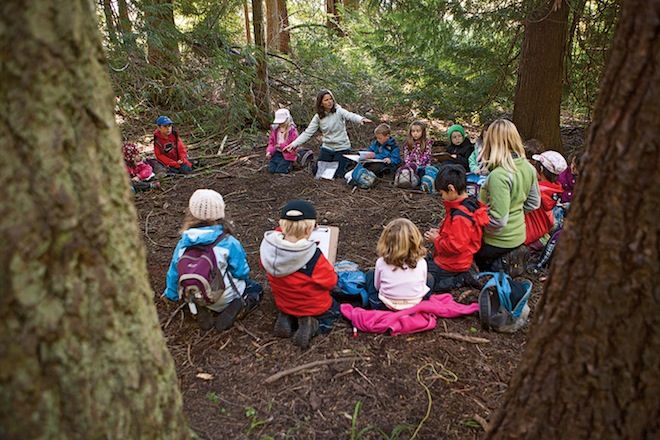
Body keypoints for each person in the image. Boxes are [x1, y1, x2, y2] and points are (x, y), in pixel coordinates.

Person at [164, 189, 262, 331]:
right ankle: (240, 305)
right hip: (225, 295)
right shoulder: (229, 242)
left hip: (197, 292)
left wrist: (171, 294)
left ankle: (198, 307)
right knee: (255, 289)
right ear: (220, 213)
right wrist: (245, 279)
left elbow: (173, 273)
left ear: (191, 212)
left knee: (192, 289)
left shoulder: (183, 243)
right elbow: (241, 272)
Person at [259, 200, 339, 349]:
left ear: (281, 225)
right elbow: (330, 282)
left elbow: (262, 264)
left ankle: (286, 316)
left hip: (283, 300)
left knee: (288, 300)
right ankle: (313, 324)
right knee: (334, 309)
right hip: (312, 305)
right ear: (310, 229)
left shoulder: (269, 247)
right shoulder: (312, 255)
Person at [474, 119, 540, 276]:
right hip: (519, 235)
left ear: (491, 142)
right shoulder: (528, 167)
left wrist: (476, 222)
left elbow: (499, 220)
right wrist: (514, 213)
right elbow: (534, 203)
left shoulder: (499, 176)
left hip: (497, 241)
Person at [424, 165, 489, 292]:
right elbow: (457, 234)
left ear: (451, 189)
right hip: (454, 259)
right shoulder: (467, 204)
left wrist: (436, 239)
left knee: (424, 280)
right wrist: (441, 233)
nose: (442, 197)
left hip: (453, 263)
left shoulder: (461, 216)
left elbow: (456, 246)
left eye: (442, 193)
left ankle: (459, 280)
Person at [286, 90, 372, 178]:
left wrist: (361, 119)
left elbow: (350, 115)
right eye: (326, 100)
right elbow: (307, 133)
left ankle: (348, 163)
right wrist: (293, 144)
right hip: (327, 148)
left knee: (338, 175)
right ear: (321, 103)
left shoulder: (339, 111)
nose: (329, 102)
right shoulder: (318, 117)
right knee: (318, 172)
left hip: (342, 148)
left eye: (331, 99)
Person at [365, 218, 432, 311]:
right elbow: (423, 283)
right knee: (430, 278)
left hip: (385, 306)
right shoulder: (421, 262)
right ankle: (425, 303)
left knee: (370, 275)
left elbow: (377, 286)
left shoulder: (381, 262)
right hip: (415, 305)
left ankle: (370, 305)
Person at [524, 151, 568, 248]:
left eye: (535, 165)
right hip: (541, 232)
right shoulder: (555, 188)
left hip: (526, 236)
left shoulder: (536, 191)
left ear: (541, 168)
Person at [394, 120, 433, 188]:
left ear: (423, 132)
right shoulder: (408, 144)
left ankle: (411, 181)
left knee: (419, 174)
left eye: (418, 131)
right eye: (413, 131)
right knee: (402, 168)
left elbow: (426, 156)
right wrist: (410, 164)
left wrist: (416, 164)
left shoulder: (427, 143)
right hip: (410, 167)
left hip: (422, 167)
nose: (415, 133)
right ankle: (403, 180)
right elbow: (406, 157)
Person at [266, 108, 299, 174]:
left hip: (288, 154)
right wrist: (269, 151)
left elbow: (294, 145)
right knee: (271, 170)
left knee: (281, 170)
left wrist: (281, 146)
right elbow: (271, 143)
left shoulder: (292, 131)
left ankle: (290, 165)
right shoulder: (275, 129)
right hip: (276, 153)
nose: (280, 123)